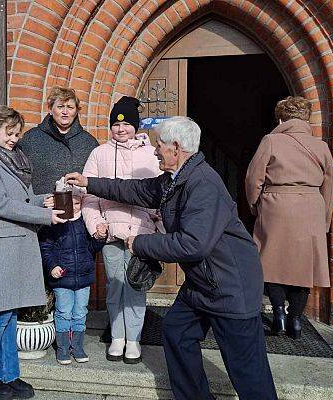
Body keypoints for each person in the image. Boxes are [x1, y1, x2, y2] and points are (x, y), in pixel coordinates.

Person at [66, 116, 278, 400]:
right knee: (177, 331)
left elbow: (193, 245)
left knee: (248, 371)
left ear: (176, 148)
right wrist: (89, 183)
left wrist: (140, 243)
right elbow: (136, 190)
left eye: (159, 146)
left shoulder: (202, 184)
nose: (155, 151)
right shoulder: (174, 179)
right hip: (203, 281)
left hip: (230, 285)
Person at [0, 106, 66, 400]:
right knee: (0, 316)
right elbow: (0, 204)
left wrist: (41, 200)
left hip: (16, 245)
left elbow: (18, 199)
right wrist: (45, 216)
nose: (13, 139)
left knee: (10, 315)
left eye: (16, 133)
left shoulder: (9, 160)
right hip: (1, 249)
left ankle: (9, 375)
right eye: (8, 133)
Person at [245, 96, 333, 339]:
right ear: (306, 119)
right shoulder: (322, 146)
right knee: (303, 268)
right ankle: (295, 320)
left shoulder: (271, 141)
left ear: (281, 118)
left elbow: (254, 179)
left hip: (276, 207)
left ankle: (279, 317)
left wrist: (255, 206)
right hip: (311, 210)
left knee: (272, 264)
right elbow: (329, 186)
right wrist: (324, 220)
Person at [82, 96, 162, 364]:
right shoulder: (99, 153)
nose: (121, 129)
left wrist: (156, 223)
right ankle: (117, 337)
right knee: (115, 288)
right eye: (116, 124)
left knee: (136, 287)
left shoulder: (152, 155)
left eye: (127, 123)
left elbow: (160, 194)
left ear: (135, 125)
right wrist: (96, 224)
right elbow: (88, 195)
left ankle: (134, 339)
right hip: (111, 234)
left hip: (141, 235)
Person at [39, 190, 107, 365]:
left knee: (80, 313)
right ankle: (62, 348)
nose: (74, 207)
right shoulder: (54, 222)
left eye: (78, 203)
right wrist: (52, 266)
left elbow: (92, 248)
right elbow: (46, 248)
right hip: (63, 279)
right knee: (64, 312)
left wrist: (99, 237)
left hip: (83, 278)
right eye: (70, 203)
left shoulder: (84, 222)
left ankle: (77, 347)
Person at [19, 86, 99, 195]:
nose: (65, 112)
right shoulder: (31, 138)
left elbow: (96, 182)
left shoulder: (89, 142)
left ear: (76, 111)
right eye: (60, 107)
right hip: (41, 208)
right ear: (50, 109)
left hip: (79, 208)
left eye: (70, 107)